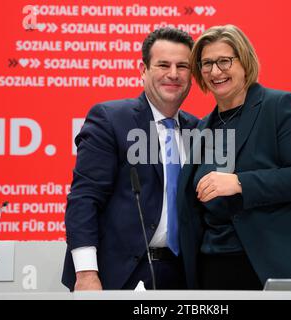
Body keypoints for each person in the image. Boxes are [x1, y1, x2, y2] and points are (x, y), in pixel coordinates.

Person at [177, 24, 291, 290]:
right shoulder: (203, 127)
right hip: (214, 265)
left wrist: (239, 183)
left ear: (245, 62)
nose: (215, 71)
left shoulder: (278, 106)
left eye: (224, 61)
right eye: (206, 63)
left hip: (273, 264)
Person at [61, 27, 199, 291]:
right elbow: (85, 198)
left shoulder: (199, 129)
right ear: (142, 69)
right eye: (163, 64)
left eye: (182, 66)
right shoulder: (111, 119)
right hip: (117, 277)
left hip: (182, 277)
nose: (173, 73)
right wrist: (87, 274)